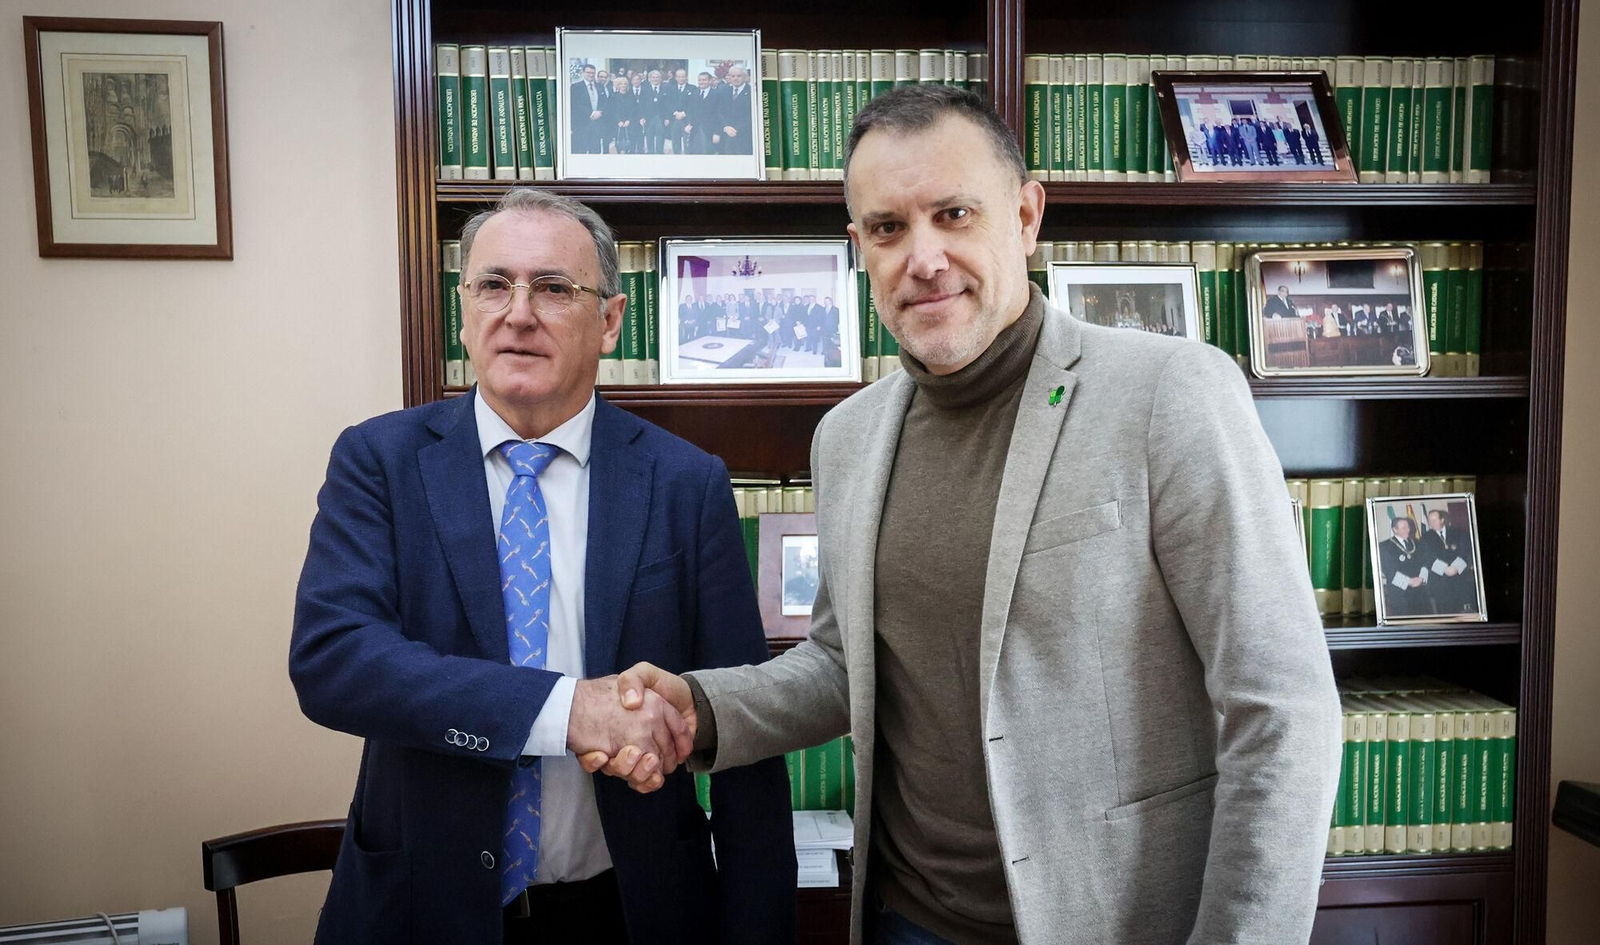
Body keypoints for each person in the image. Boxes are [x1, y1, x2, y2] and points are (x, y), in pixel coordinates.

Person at [586, 85, 1340, 945]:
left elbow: (1282, 709)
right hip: (907, 918)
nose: (925, 257)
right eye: (888, 228)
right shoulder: (847, 437)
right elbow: (845, 664)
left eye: (953, 214)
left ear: (1024, 217)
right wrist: (700, 708)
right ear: (858, 248)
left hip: (1117, 920)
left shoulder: (1172, 393)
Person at [290, 189, 796, 944]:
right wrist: (565, 711)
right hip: (423, 907)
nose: (518, 312)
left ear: (612, 321)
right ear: (464, 309)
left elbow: (745, 728)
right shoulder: (380, 462)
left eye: (554, 288)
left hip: (630, 910)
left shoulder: (686, 482)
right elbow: (335, 660)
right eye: (494, 284)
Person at [1420, 508, 1478, 615]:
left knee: (1463, 612)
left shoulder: (1459, 533)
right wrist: (1445, 569)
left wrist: (1455, 568)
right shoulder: (1425, 537)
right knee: (1445, 612)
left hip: (1458, 580)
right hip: (1440, 583)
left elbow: (1465, 552)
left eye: (1434, 520)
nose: (1431, 524)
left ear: (1442, 520)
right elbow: (1426, 557)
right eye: (1430, 521)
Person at [1378, 515, 1430, 618]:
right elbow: (1389, 571)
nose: (1408, 530)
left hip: (1419, 592)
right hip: (1400, 594)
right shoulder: (1385, 546)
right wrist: (1409, 581)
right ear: (1395, 530)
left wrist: (1421, 578)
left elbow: (1425, 562)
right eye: (1404, 528)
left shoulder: (1417, 543)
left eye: (1408, 527)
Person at [715, 65, 755, 154]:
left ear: (745, 77)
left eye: (739, 76)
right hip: (725, 135)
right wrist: (725, 127)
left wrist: (736, 129)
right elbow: (719, 111)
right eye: (733, 76)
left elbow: (751, 115)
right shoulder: (723, 91)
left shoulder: (752, 92)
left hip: (744, 136)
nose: (735, 78)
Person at [568, 63, 605, 154]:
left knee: (595, 151)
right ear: (583, 73)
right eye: (588, 72)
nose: (591, 75)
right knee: (580, 151)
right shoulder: (575, 87)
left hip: (597, 124)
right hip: (581, 124)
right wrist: (591, 113)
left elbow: (605, 102)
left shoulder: (600, 87)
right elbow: (575, 104)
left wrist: (600, 112)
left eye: (593, 73)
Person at [685, 72, 719, 154]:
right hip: (695, 130)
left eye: (704, 80)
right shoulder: (694, 93)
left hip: (709, 130)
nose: (701, 82)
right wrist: (689, 123)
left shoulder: (716, 94)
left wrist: (717, 132)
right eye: (699, 80)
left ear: (710, 81)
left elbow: (718, 115)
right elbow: (690, 111)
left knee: (707, 153)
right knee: (694, 152)